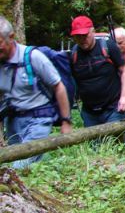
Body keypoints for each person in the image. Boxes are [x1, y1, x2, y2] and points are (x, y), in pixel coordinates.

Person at [0, 16, 72, 168]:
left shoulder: (33, 57)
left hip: (38, 119)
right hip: (12, 121)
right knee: (17, 163)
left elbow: (58, 86)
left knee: (19, 166)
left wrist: (66, 121)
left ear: (11, 37)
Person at [69, 16, 125, 129]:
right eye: (78, 36)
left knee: (114, 142)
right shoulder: (74, 54)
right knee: (95, 146)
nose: (82, 40)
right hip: (89, 112)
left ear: (93, 32)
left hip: (113, 107)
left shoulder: (108, 46)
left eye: (85, 35)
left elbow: (124, 70)